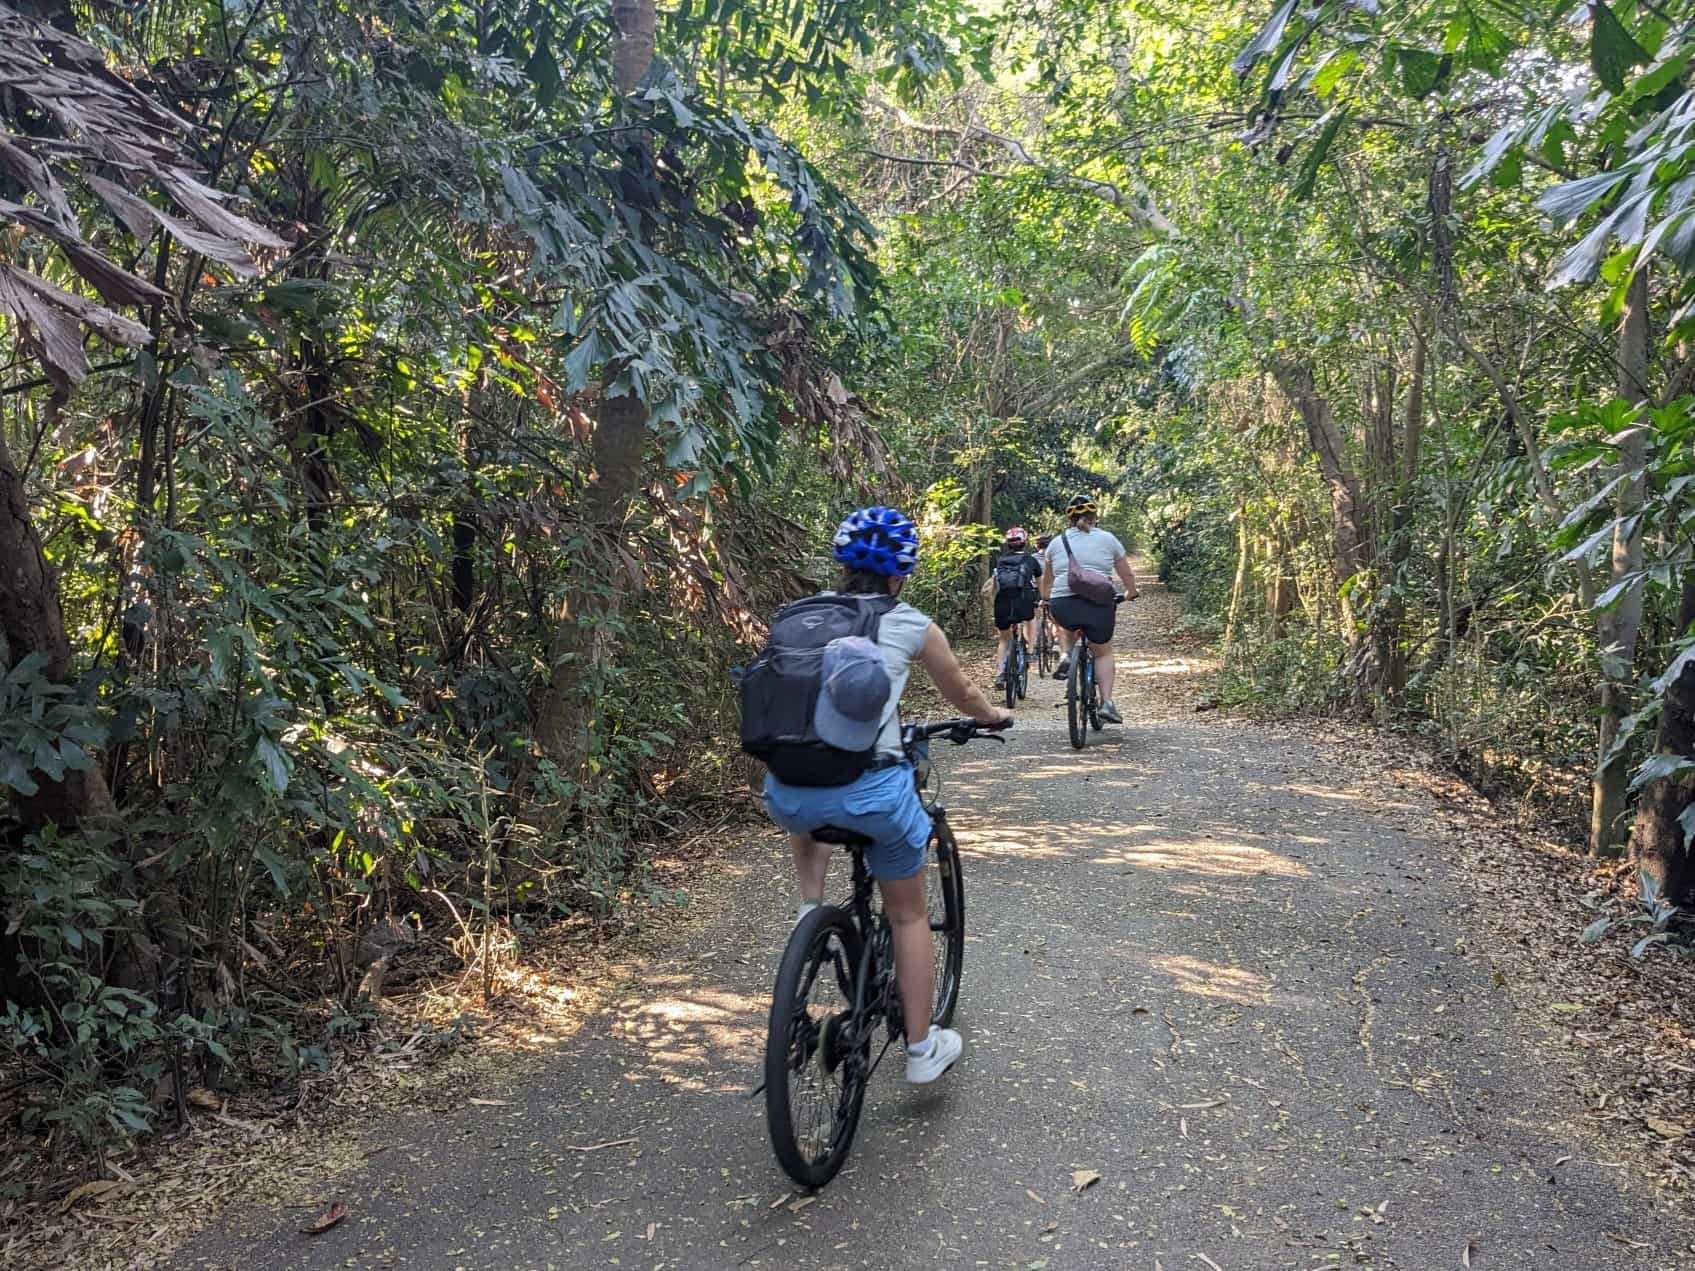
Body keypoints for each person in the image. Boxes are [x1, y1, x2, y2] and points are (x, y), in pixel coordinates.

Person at [760, 506, 1011, 1084]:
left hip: (788, 794)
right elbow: (963, 693)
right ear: (900, 574)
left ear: (841, 564)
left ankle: (810, 911)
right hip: (872, 796)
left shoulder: (795, 617)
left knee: (810, 779)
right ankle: (922, 1050)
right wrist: (992, 716)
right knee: (908, 914)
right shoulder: (912, 624)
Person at [1040, 493, 1140, 724]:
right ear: (1095, 517)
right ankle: (1107, 703)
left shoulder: (1056, 543)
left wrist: (1046, 598)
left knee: (1066, 626)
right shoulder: (1108, 539)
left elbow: (1048, 580)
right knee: (1103, 652)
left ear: (1069, 519)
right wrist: (1131, 592)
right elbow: (1126, 574)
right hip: (1098, 605)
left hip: (1063, 604)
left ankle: (1066, 654)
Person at [990, 526, 1043, 690]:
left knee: (1004, 639)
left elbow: (995, 583)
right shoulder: (1030, 560)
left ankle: (1000, 674)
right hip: (1023, 601)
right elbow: (1040, 583)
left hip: (1003, 602)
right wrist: (1042, 599)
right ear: (1025, 542)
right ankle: (1030, 652)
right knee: (1031, 618)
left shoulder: (1000, 561)